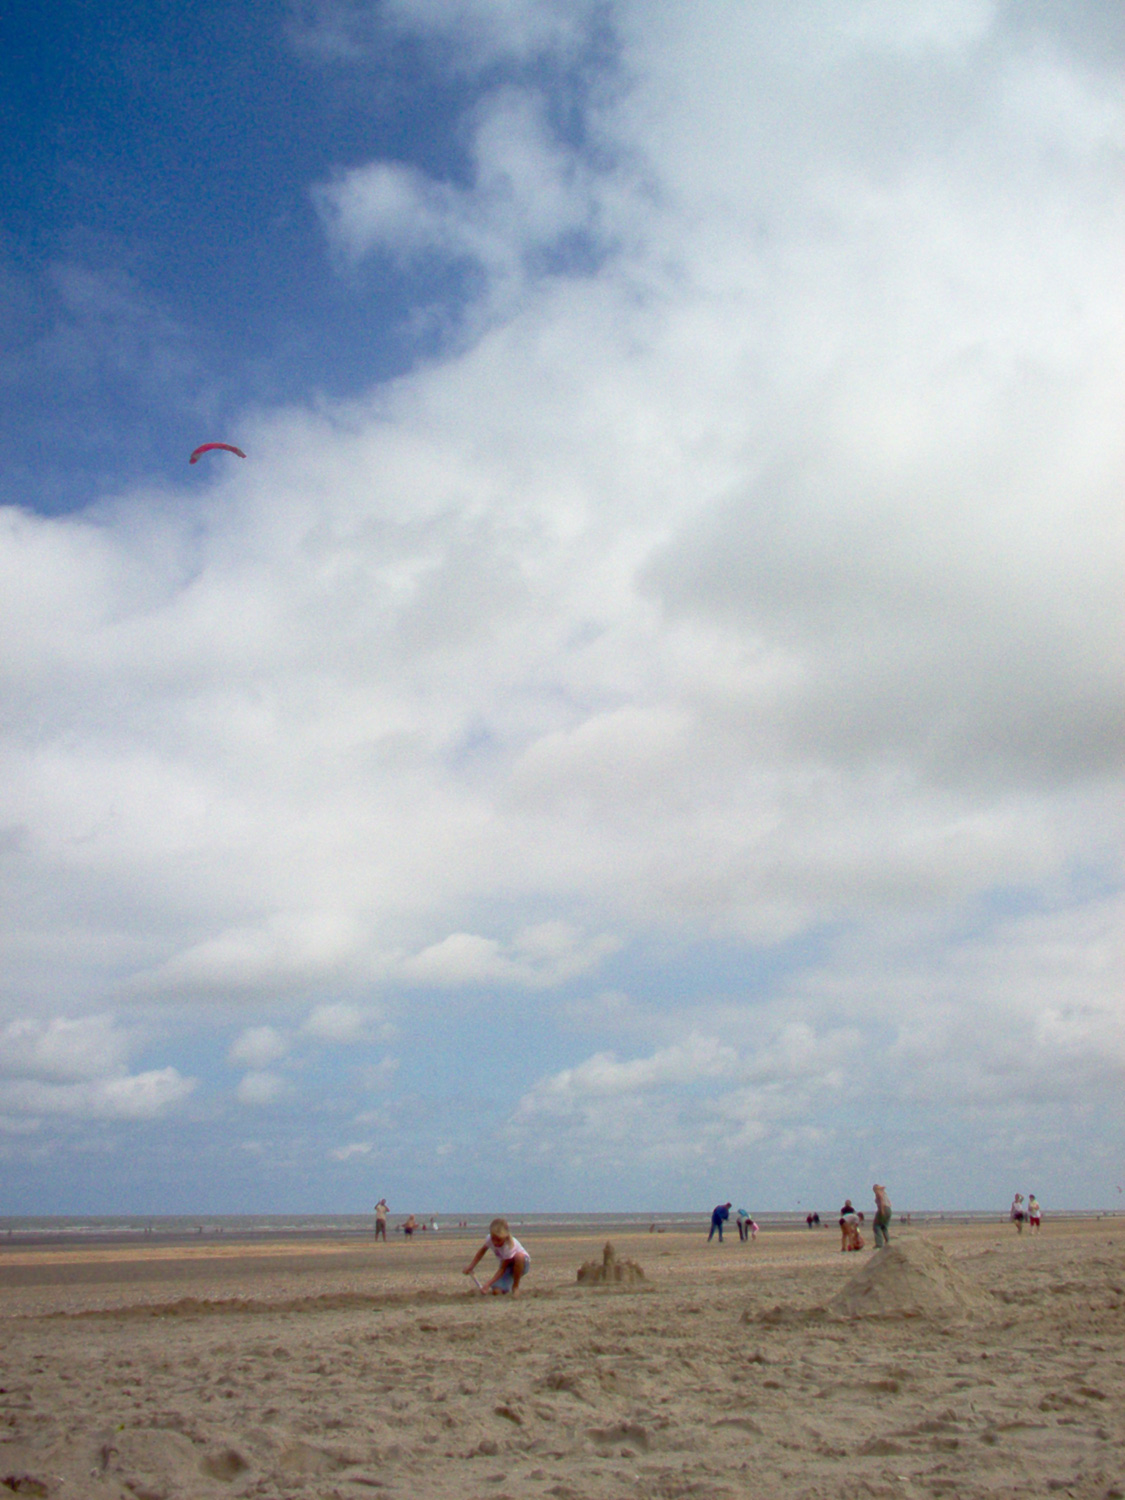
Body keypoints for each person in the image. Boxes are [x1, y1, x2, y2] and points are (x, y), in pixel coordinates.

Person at [464, 1218, 530, 1295]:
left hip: (522, 1264)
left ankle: (515, 1287)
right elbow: (482, 1251)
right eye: (493, 1239)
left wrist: (487, 1284)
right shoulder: (489, 1239)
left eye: (498, 1240)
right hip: (508, 1267)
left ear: (505, 1237)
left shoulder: (509, 1246)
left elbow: (502, 1268)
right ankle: (505, 1287)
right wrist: (471, 1266)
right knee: (496, 1291)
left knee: (519, 1256)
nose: (495, 1242)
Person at [873, 1184, 892, 1249]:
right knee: (884, 1226)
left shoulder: (878, 1193)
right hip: (889, 1209)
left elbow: (881, 1200)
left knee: (876, 1226)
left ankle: (879, 1244)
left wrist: (882, 1210)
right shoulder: (884, 1192)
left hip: (883, 1208)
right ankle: (888, 1241)